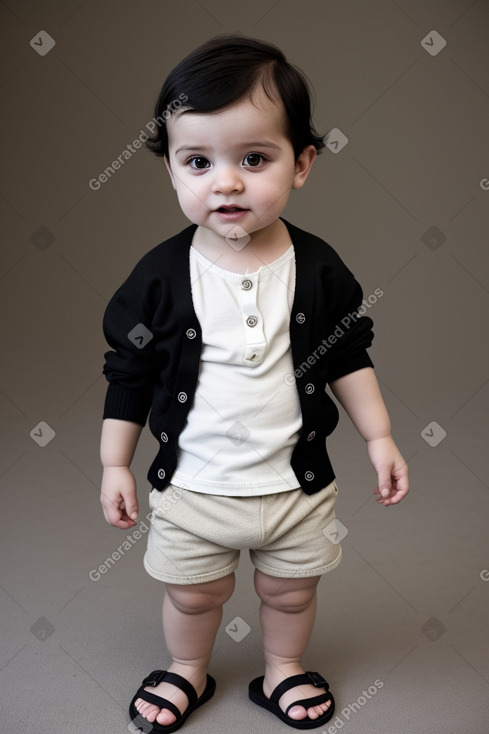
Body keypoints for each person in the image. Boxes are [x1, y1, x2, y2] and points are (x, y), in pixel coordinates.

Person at [100, 34, 409, 732]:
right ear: (172, 171)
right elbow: (129, 372)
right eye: (198, 162)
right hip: (193, 487)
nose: (226, 182)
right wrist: (114, 461)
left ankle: (282, 670)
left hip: (293, 486)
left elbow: (346, 357)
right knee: (193, 595)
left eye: (253, 159)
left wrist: (380, 436)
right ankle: (186, 670)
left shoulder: (318, 269)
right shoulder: (157, 278)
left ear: (300, 164)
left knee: (290, 592)